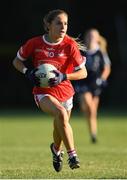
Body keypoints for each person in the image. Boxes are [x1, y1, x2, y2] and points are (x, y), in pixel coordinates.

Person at [12, 9, 87, 172]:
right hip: (43, 92)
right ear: (48, 25)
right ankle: (72, 155)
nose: (63, 26)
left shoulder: (69, 45)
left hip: (66, 92)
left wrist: (64, 76)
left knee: (60, 125)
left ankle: (55, 149)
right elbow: (17, 61)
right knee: (60, 113)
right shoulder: (34, 43)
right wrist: (28, 72)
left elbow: (83, 72)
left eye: (66, 23)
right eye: (59, 23)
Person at [73, 28, 111, 143]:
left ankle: (93, 134)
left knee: (92, 112)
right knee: (89, 107)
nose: (91, 38)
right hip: (83, 81)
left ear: (97, 38)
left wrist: (102, 79)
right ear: (86, 37)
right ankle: (83, 107)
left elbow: (107, 68)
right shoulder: (81, 51)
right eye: (89, 36)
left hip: (95, 83)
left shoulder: (100, 52)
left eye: (93, 36)